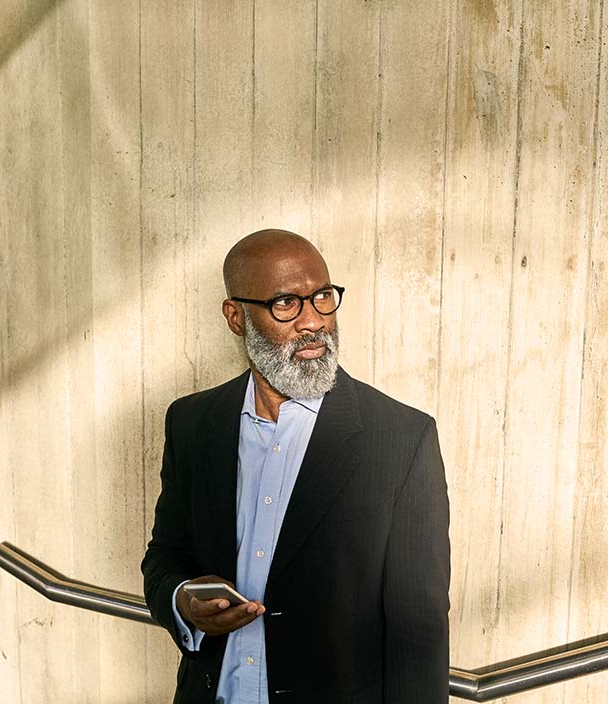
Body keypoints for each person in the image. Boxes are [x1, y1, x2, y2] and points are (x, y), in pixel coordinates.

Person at [141, 229, 450, 703]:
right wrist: (183, 601)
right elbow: (164, 560)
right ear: (235, 317)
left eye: (323, 297)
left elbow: (418, 641)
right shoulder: (191, 423)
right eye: (286, 303)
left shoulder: (402, 438)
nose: (313, 322)